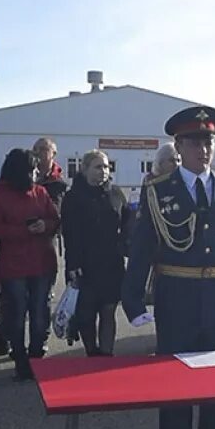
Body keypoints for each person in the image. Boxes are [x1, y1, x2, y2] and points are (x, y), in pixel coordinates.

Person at [122, 106, 215, 429]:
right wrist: (132, 302)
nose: (204, 148)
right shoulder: (159, 191)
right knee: (175, 395)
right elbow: (143, 247)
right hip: (176, 302)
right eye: (195, 141)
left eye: (209, 141)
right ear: (179, 145)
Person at [0, 148, 59, 381]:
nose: (37, 173)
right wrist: (23, 230)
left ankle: (36, 356)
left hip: (42, 262)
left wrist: (44, 226)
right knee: (16, 314)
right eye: (33, 169)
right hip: (14, 265)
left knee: (40, 312)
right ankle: (19, 358)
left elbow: (55, 219)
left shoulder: (40, 192)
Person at [61, 150, 130, 357]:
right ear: (85, 169)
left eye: (107, 167)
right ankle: (92, 353)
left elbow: (126, 223)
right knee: (87, 314)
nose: (104, 171)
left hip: (111, 263)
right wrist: (72, 266)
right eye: (98, 167)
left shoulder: (116, 193)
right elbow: (69, 235)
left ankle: (107, 355)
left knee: (108, 310)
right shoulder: (73, 197)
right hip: (85, 264)